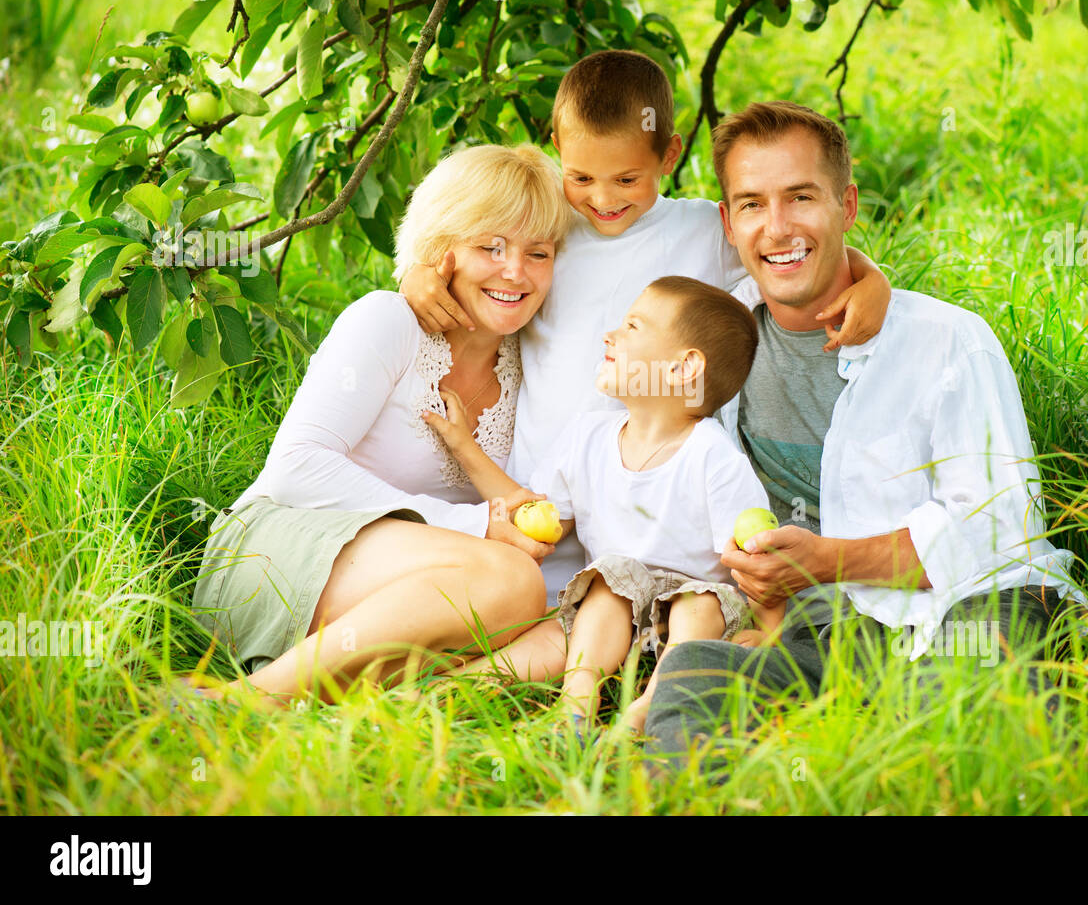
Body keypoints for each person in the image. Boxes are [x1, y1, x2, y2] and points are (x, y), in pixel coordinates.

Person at [399, 50, 894, 679]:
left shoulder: (698, 231)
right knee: (522, 620)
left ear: (669, 156)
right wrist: (418, 273)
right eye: (582, 177)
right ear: (556, 150)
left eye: (627, 180)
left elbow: (793, 251)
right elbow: (467, 245)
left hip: (657, 515)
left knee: (628, 617)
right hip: (551, 498)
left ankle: (642, 682)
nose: (603, 199)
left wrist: (869, 278)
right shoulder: (549, 227)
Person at [642, 101, 1088, 769]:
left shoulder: (948, 341)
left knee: (958, 725)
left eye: (801, 197)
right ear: (729, 223)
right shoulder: (715, 339)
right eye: (754, 204)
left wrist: (827, 560)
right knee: (694, 680)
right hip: (824, 634)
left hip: (968, 608)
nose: (779, 226)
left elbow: (998, 533)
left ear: (846, 206)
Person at [188, 144, 575, 705]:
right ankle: (244, 701)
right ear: (443, 250)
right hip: (278, 551)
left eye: (538, 253)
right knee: (511, 581)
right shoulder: (390, 319)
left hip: (412, 585)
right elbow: (296, 468)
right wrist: (471, 527)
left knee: (544, 616)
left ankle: (387, 704)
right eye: (490, 246)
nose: (515, 271)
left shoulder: (530, 364)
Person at [427, 276, 777, 734]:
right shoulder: (588, 437)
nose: (610, 335)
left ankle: (653, 706)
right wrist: (463, 445)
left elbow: (759, 567)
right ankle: (571, 707)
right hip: (612, 614)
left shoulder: (714, 458)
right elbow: (535, 515)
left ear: (684, 367)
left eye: (632, 326)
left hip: (691, 627)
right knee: (607, 585)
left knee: (700, 600)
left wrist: (769, 636)